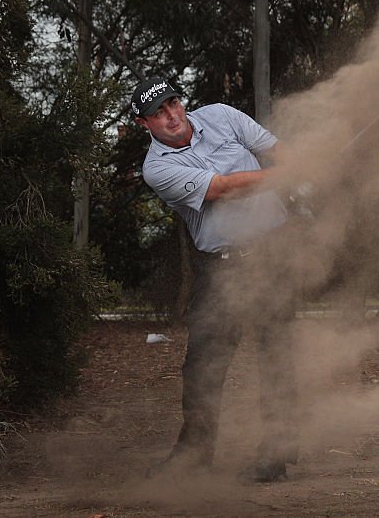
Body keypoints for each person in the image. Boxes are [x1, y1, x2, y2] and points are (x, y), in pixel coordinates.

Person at [131, 76, 298, 483]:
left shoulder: (222, 116)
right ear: (144, 124)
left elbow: (276, 150)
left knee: (275, 352)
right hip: (220, 267)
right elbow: (221, 189)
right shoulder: (158, 168)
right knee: (203, 364)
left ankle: (278, 451)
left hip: (272, 252)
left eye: (173, 104)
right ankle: (194, 456)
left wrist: (299, 164)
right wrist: (281, 177)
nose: (172, 116)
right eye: (159, 113)